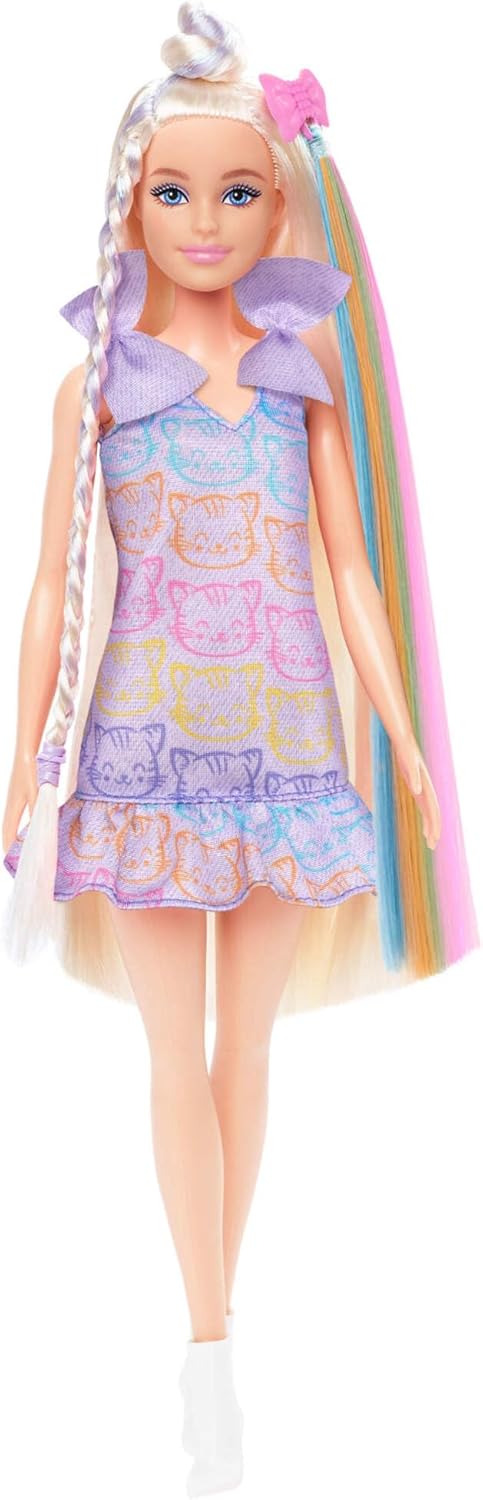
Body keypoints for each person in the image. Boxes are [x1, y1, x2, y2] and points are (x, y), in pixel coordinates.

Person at [1, 5, 479, 1494]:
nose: (204, 221)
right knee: (171, 1053)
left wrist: (405, 740)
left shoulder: (298, 378)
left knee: (247, 1048)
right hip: (143, 756)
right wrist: (24, 767)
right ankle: (208, 1350)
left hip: (285, 754)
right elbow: (53, 588)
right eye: (174, 191)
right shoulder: (98, 385)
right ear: (130, 201)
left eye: (236, 192)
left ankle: (219, 1329)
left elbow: (350, 573)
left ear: (280, 206)